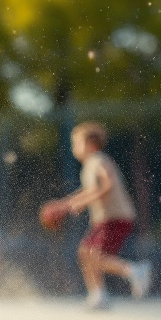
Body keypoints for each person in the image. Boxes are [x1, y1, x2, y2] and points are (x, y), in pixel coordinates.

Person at [48, 122, 151, 310]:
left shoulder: (99, 160)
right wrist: (64, 205)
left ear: (90, 144)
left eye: (76, 143)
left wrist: (77, 203)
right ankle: (99, 295)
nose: (74, 148)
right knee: (85, 253)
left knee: (96, 256)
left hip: (115, 217)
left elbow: (106, 184)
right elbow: (90, 190)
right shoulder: (90, 164)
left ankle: (134, 270)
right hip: (105, 219)